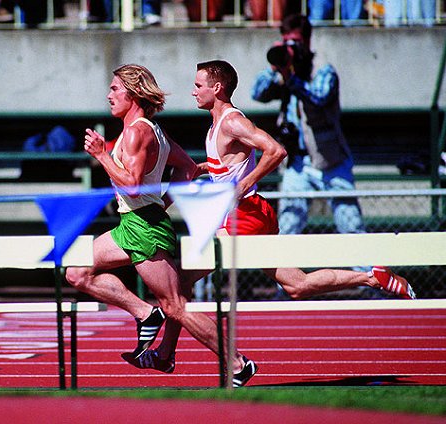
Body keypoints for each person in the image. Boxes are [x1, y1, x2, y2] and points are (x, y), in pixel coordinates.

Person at [121, 60, 416, 376]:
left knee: (177, 285)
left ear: (217, 88)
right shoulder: (215, 125)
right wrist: (212, 171)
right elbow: (234, 166)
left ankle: (181, 356)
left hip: (243, 215)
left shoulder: (232, 122)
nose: (193, 91)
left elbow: (275, 150)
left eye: (198, 85)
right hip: (248, 214)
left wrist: (244, 184)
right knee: (297, 285)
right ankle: (372, 276)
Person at [64, 64, 259, 387]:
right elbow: (187, 168)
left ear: (133, 92)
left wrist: (102, 155)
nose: (109, 96)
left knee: (176, 306)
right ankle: (144, 313)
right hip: (136, 222)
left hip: (144, 227)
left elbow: (133, 184)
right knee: (77, 271)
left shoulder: (138, 131)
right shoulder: (154, 130)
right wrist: (161, 203)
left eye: (115, 89)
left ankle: (237, 363)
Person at [251, 13, 375, 292]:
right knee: (287, 225)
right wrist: (275, 66)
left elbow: (318, 98)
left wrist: (292, 77)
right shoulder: (283, 71)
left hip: (330, 160)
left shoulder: (323, 70)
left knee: (350, 223)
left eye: (294, 42)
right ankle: (287, 290)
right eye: (286, 42)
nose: (290, 48)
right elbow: (256, 93)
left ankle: (371, 286)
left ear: (307, 40)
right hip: (297, 163)